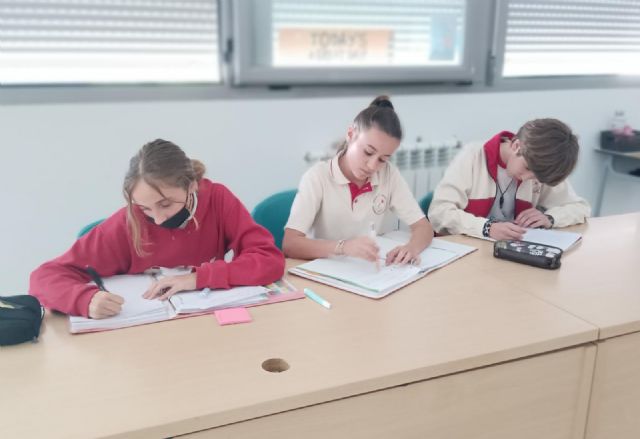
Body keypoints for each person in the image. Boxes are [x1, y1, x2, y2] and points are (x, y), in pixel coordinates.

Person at [29, 139, 285, 319]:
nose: (159, 219)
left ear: (192, 186)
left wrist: (197, 278)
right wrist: (84, 299)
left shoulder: (217, 199)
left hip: (205, 323)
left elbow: (268, 260)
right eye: (146, 208)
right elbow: (44, 277)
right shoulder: (127, 223)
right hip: (143, 335)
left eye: (166, 204)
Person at [283, 96, 433, 265]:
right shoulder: (317, 177)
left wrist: (411, 248)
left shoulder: (389, 175)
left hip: (369, 273)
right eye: (368, 152)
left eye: (383, 159)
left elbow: (423, 227)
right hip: (326, 272)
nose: (372, 166)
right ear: (351, 134)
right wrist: (344, 247)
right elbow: (290, 244)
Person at [428, 118, 591, 240]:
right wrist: (487, 228)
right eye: (527, 168)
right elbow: (439, 212)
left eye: (536, 176)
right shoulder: (472, 156)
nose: (528, 178)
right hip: (464, 250)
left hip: (506, 255)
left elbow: (580, 208)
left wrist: (550, 218)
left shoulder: (541, 165)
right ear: (516, 146)